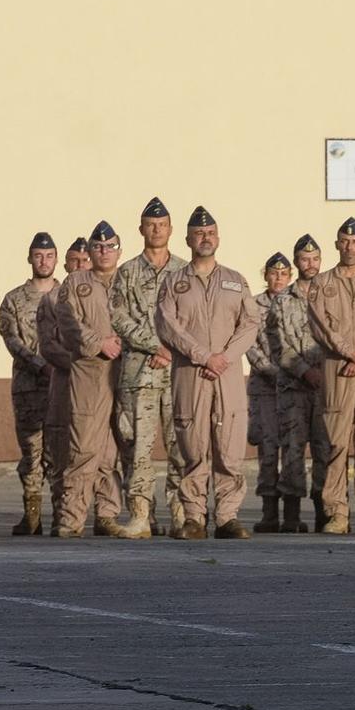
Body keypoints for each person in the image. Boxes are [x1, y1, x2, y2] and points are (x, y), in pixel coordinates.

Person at [155, 207, 261, 539]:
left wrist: (225, 358)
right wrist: (203, 356)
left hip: (227, 375)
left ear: (218, 237)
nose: (206, 238)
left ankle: (227, 517)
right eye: (200, 233)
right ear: (188, 239)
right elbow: (166, 325)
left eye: (211, 233)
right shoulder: (174, 282)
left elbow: (250, 324)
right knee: (193, 445)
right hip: (191, 374)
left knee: (229, 447)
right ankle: (193, 518)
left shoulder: (235, 280)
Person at [110, 196, 187, 538]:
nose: (156, 229)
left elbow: (193, 320)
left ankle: (183, 513)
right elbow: (118, 317)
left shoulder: (184, 272)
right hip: (138, 373)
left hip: (177, 374)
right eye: (150, 225)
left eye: (162, 225)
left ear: (171, 230)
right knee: (137, 446)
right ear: (141, 229)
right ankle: (141, 515)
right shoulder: (126, 272)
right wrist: (156, 344)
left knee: (180, 443)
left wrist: (171, 348)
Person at [53, 221, 128, 538]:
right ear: (90, 251)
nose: (104, 251)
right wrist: (100, 343)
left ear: (118, 250)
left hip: (125, 371)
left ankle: (108, 514)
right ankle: (71, 519)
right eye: (98, 247)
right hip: (90, 371)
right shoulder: (75, 282)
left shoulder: (130, 280)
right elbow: (68, 321)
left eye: (110, 246)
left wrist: (128, 341)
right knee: (83, 447)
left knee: (115, 449)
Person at [308, 218, 355, 535]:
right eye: (344, 241)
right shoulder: (322, 283)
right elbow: (320, 325)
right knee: (336, 442)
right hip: (337, 367)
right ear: (337, 244)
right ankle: (336, 511)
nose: (350, 247)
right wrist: (349, 351)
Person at [41, 237, 104, 534]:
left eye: (84, 260)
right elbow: (49, 346)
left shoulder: (104, 293)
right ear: (65, 264)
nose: (79, 265)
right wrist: (80, 361)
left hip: (99, 383)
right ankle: (63, 513)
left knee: (102, 450)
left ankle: (104, 514)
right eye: (74, 261)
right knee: (62, 448)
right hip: (65, 384)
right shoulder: (51, 300)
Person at [0, 231, 58, 535]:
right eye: (38, 255)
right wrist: (39, 364)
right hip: (28, 388)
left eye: (49, 256)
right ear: (30, 258)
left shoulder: (69, 295)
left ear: (56, 259)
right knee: (31, 452)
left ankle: (63, 515)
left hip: (61, 387)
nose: (44, 261)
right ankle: (32, 515)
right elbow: (11, 339)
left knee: (59, 452)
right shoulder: (13, 299)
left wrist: (59, 366)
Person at [268, 235, 327, 533]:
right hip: (294, 387)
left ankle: (324, 512)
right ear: (296, 262)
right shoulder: (281, 301)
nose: (311, 264)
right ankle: (291, 514)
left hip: (327, 387)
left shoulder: (330, 294)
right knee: (292, 450)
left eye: (315, 258)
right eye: (305, 259)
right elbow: (278, 347)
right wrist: (305, 371)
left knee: (325, 448)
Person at [245, 253, 291, 532]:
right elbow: (249, 344)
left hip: (294, 387)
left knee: (293, 448)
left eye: (284, 274)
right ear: (265, 275)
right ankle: (269, 511)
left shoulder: (298, 303)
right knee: (268, 449)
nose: (278, 279)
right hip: (265, 388)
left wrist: (293, 371)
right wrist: (272, 371)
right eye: (273, 273)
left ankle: (293, 512)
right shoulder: (254, 305)